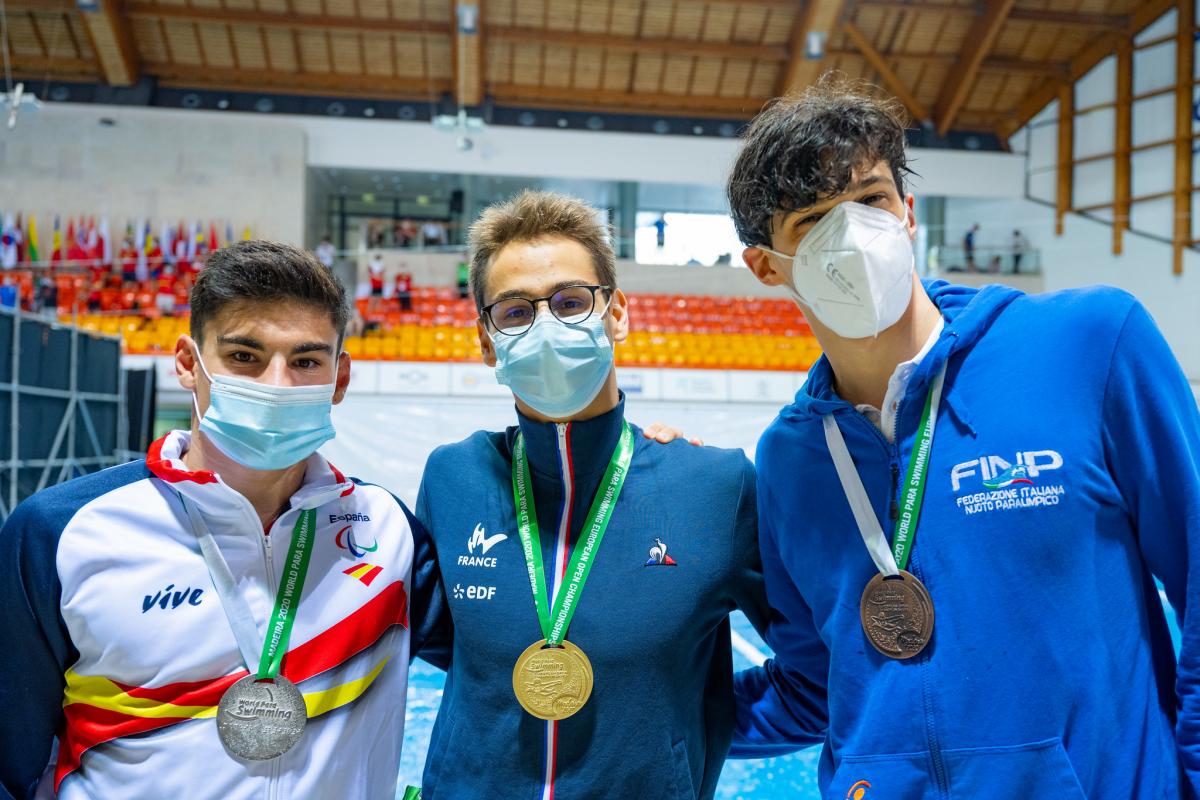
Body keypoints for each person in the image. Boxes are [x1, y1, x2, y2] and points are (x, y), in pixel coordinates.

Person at [721, 75, 1200, 799]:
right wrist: (630, 702)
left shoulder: (1089, 346)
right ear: (766, 265)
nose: (852, 235)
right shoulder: (790, 458)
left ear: (907, 212)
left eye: (871, 200)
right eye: (814, 219)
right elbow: (814, 688)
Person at [0, 241, 448, 798]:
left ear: (339, 378)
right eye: (244, 356)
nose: (276, 384)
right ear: (189, 364)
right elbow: (11, 763)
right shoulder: (60, 533)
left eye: (305, 361)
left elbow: (496, 658)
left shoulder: (388, 530)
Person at [414, 191, 821, 799]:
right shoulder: (453, 478)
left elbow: (816, 681)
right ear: (486, 340)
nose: (546, 324)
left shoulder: (716, 487)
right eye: (516, 312)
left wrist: (687, 728)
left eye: (572, 302)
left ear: (618, 313)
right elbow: (465, 653)